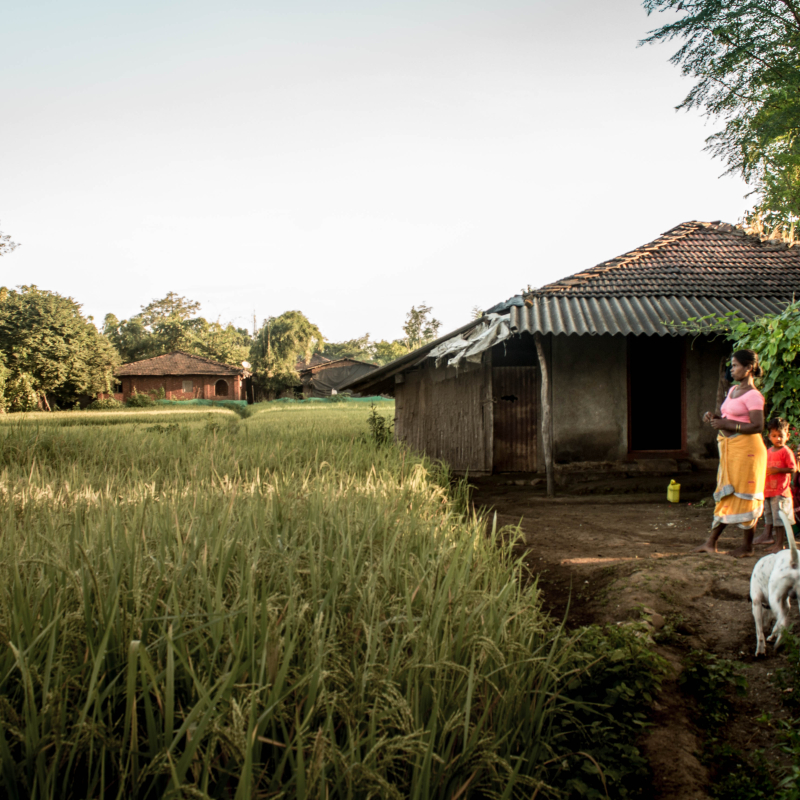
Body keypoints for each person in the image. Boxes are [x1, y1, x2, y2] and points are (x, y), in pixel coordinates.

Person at [695, 349, 766, 557]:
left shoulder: (754, 395)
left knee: (745, 494)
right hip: (731, 450)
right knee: (728, 493)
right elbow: (729, 417)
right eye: (731, 366)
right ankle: (711, 542)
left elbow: (757, 426)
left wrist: (728, 425)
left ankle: (747, 546)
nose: (731, 370)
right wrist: (715, 417)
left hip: (748, 452)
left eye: (735, 365)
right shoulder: (733, 390)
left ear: (749, 368)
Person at [753, 418, 797, 553]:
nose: (778, 439)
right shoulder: (768, 451)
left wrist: (777, 470)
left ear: (787, 436)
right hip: (768, 491)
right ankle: (767, 536)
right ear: (769, 436)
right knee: (769, 516)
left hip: (780, 492)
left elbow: (793, 468)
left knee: (779, 519)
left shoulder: (786, 451)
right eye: (774, 436)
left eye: (781, 436)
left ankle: (779, 544)